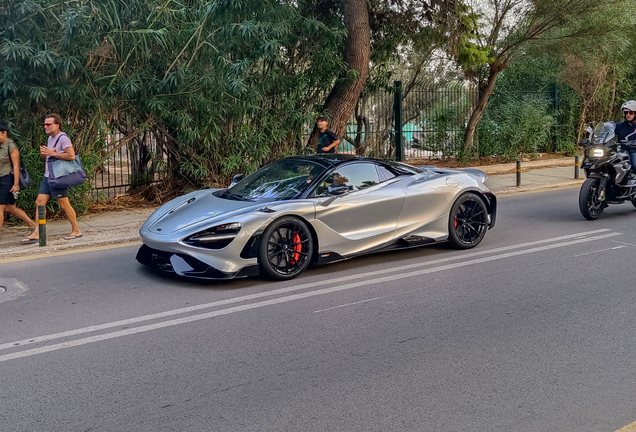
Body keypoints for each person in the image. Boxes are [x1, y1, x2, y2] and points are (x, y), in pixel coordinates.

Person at [22, 114, 82, 244]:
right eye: (44, 124)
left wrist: (52, 153)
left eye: (48, 124)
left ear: (57, 125)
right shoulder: (50, 138)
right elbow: (51, 157)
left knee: (63, 203)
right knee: (39, 202)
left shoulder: (63, 138)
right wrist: (45, 154)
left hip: (58, 177)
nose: (45, 126)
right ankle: (37, 233)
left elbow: (71, 156)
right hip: (48, 176)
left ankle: (76, 230)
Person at [0, 122, 37, 235]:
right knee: (10, 208)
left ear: (4, 133)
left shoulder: (11, 145)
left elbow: (16, 166)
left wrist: (16, 184)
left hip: (7, 179)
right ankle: (32, 225)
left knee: (0, 208)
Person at [616, 100, 636, 175]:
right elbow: (608, 132)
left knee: (635, 164)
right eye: (626, 113)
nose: (628, 115)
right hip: (620, 150)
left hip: (634, 150)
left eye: (631, 113)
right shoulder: (618, 126)